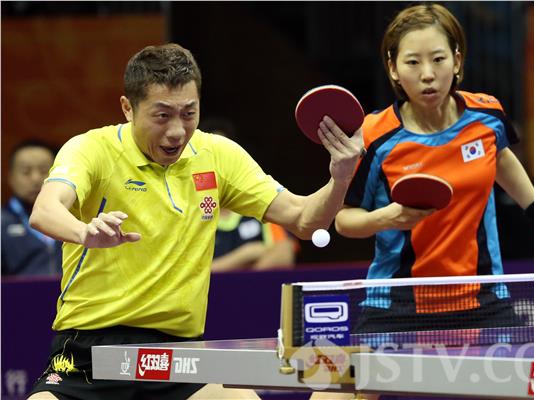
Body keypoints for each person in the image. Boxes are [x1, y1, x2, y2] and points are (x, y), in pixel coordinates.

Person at [27, 43, 363, 400]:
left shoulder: (216, 155)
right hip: (89, 352)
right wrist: (84, 232)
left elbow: (304, 220)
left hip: (177, 356)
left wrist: (340, 177)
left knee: (338, 379)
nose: (177, 131)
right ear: (128, 108)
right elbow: (45, 210)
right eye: (162, 115)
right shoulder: (91, 149)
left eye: (189, 113)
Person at [334, 0, 534, 345]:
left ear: (457, 61)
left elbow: (499, 158)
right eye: (413, 62)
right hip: (397, 301)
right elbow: (344, 220)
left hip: (482, 297)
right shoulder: (375, 135)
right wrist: (387, 218)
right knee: (353, 378)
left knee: (522, 374)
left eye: (438, 59)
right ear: (393, 68)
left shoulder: (486, 116)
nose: (428, 74)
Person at [200, 118, 298, 272]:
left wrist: (242, 281)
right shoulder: (189, 210)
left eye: (222, 156)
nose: (218, 165)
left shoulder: (259, 201)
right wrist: (245, 255)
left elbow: (284, 253)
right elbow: (187, 273)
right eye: (210, 157)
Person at [2, 140, 62, 276]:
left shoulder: (76, 219)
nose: (36, 178)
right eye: (25, 171)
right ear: (10, 178)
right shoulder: (2, 222)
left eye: (44, 171)